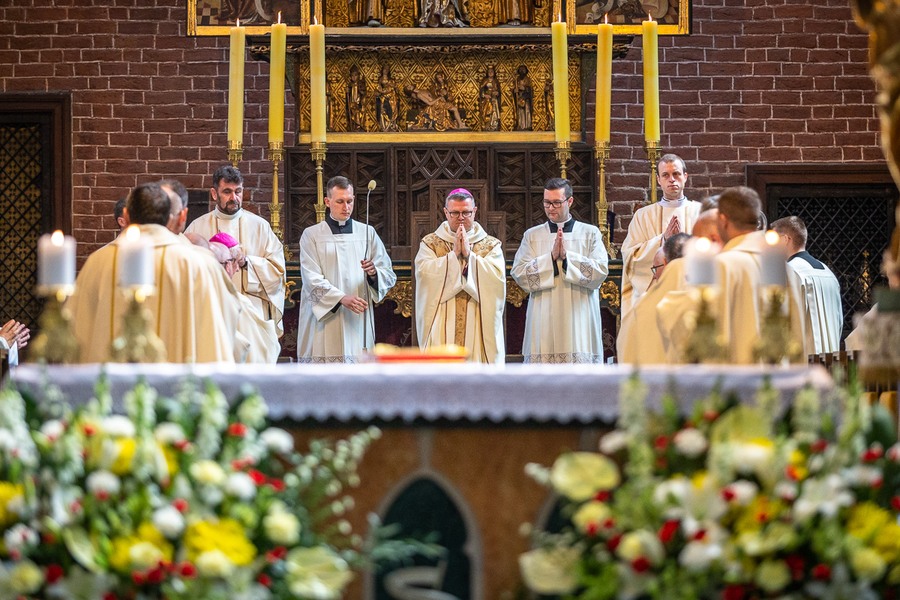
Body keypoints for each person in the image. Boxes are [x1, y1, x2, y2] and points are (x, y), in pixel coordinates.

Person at [67, 182, 242, 363]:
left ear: (126, 216)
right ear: (176, 217)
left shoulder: (98, 262)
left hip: (112, 385)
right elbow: (227, 323)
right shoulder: (200, 264)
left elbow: (76, 329)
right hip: (181, 386)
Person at [297, 176, 396, 363]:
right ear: (327, 202)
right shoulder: (312, 235)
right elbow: (311, 278)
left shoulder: (367, 232)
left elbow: (387, 272)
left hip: (357, 317)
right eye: (340, 201)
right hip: (324, 319)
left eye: (349, 201)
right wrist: (341, 298)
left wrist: (374, 274)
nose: (346, 207)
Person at [511, 178, 608, 363]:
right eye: (547, 202)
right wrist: (550, 259)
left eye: (556, 202)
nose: (550, 208)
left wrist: (567, 258)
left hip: (579, 315)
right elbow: (519, 274)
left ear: (569, 201)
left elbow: (600, 271)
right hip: (543, 314)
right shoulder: (532, 235)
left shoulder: (590, 233)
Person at [184, 165, 287, 337]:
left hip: (252, 314)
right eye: (227, 192)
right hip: (212, 313)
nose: (234, 197)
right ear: (214, 193)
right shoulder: (197, 227)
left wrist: (247, 262)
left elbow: (278, 274)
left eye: (238, 191)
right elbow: (186, 272)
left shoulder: (260, 227)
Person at [712, 186, 804, 364]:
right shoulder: (787, 269)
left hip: (736, 382)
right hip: (779, 383)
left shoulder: (722, 266)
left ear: (723, 220)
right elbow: (799, 333)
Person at [415, 188, 505, 363]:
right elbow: (424, 274)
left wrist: (470, 257)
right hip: (442, 320)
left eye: (466, 212)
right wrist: (453, 256)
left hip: (477, 318)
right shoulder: (431, 243)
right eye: (455, 213)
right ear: (446, 213)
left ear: (475, 211)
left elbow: (497, 279)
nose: (461, 217)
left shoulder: (490, 245)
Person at [620, 153, 702, 314]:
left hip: (691, 293)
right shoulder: (643, 216)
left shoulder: (701, 212)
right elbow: (630, 257)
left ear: (685, 177)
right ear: (658, 180)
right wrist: (662, 240)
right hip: (654, 296)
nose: (672, 179)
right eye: (666, 175)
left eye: (676, 174)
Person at [771, 216, 843, 354]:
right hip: (831, 360)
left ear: (785, 239)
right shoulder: (828, 273)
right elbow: (839, 322)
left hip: (802, 362)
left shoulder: (788, 272)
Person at [208, 234, 281, 363]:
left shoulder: (192, 297)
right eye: (236, 263)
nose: (237, 270)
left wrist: (247, 262)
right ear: (228, 265)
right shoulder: (239, 303)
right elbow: (263, 349)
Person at [618, 233, 690, 364]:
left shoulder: (640, 310)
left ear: (665, 263)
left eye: (655, 268)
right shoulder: (711, 302)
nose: (655, 276)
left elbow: (626, 356)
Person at [375, 65, 400, 132]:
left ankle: (391, 126)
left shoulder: (391, 80)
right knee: (383, 111)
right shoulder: (380, 79)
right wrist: (379, 92)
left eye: (387, 69)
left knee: (392, 111)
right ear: (382, 70)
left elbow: (396, 88)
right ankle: (384, 127)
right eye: (384, 69)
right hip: (383, 97)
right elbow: (378, 89)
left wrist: (393, 87)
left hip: (391, 98)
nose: (386, 71)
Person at [479, 66, 501, 132]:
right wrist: (484, 95)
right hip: (487, 99)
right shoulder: (485, 81)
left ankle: (494, 126)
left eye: (492, 72)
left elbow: (499, 91)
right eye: (489, 72)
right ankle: (487, 126)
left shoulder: (496, 81)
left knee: (494, 112)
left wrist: (497, 93)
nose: (490, 73)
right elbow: (481, 90)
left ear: (494, 73)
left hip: (494, 99)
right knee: (487, 112)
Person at [346, 65, 367, 131]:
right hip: (352, 103)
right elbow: (348, 96)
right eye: (352, 76)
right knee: (352, 115)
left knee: (358, 114)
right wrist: (347, 91)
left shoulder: (360, 84)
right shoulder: (350, 85)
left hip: (358, 104)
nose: (354, 77)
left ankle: (359, 127)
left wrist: (360, 91)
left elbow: (364, 93)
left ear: (358, 76)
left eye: (355, 75)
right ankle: (353, 127)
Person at [513, 65, 533, 131]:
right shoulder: (517, 79)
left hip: (526, 99)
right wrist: (515, 91)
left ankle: (527, 125)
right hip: (519, 98)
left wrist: (525, 88)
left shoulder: (528, 79)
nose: (522, 71)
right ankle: (520, 125)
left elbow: (531, 90)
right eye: (521, 69)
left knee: (527, 112)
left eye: (523, 69)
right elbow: (514, 90)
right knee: (520, 112)